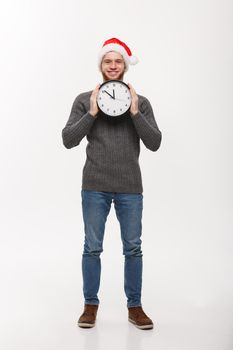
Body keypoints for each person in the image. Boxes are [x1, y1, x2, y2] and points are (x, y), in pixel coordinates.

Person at [61, 38, 162, 330]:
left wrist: (134, 112)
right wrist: (92, 112)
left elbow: (154, 142)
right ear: (101, 65)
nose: (113, 66)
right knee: (92, 247)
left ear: (125, 65)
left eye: (118, 61)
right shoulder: (84, 99)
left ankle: (135, 308)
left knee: (133, 248)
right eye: (108, 61)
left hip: (130, 185)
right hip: (95, 185)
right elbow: (68, 140)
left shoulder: (140, 102)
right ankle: (90, 306)